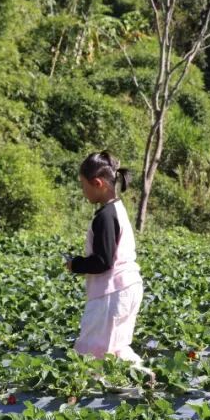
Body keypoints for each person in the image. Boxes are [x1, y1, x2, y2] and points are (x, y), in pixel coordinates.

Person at [65, 151, 147, 368]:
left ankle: (138, 377)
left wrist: (76, 264)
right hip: (127, 288)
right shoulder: (117, 210)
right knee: (117, 349)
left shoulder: (105, 217)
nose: (83, 191)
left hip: (111, 293)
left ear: (97, 183)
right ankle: (145, 375)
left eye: (83, 185)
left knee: (92, 352)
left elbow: (103, 261)